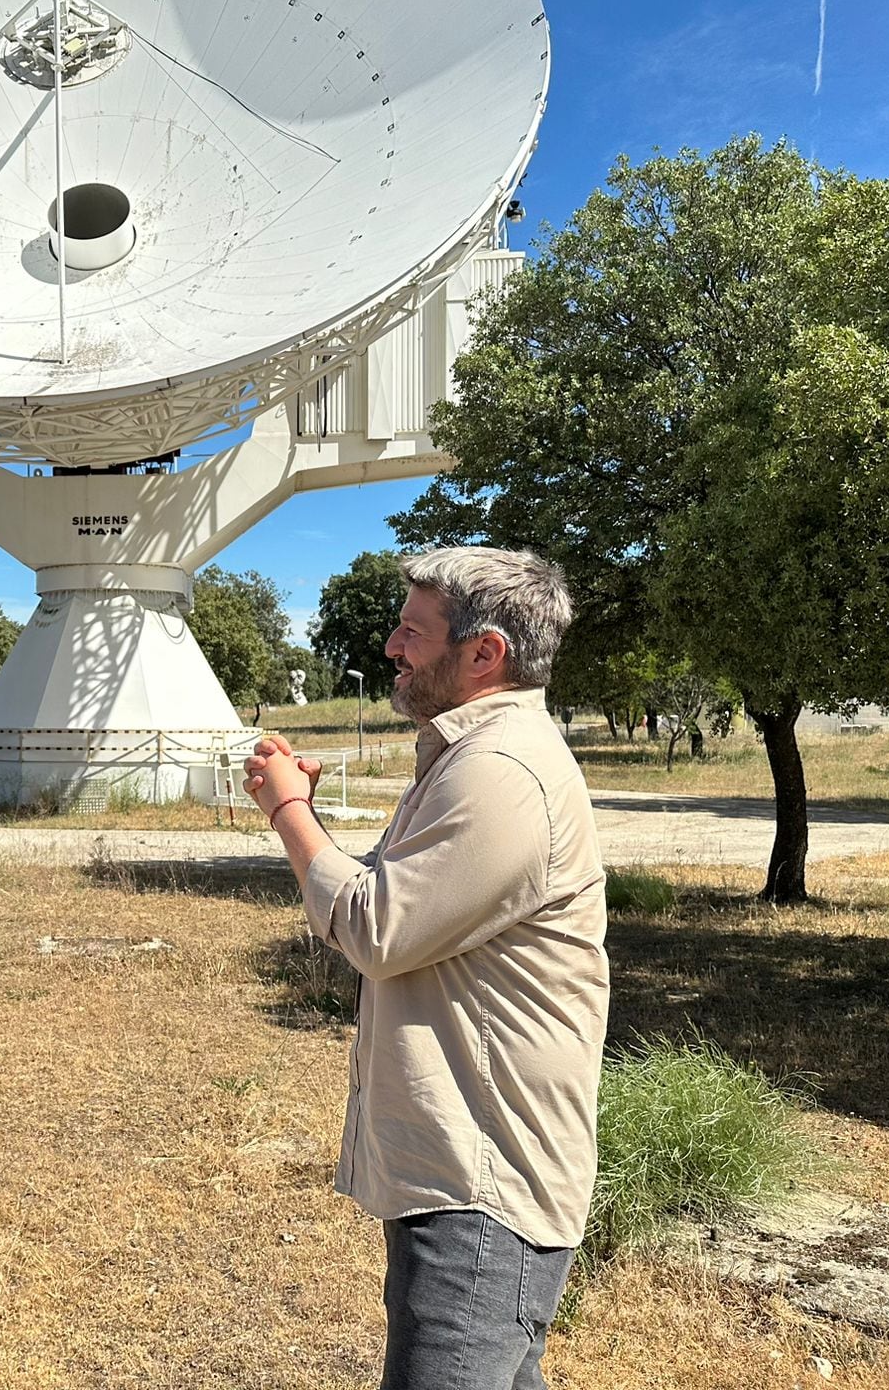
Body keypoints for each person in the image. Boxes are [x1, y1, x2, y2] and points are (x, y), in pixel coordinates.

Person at [242, 547, 607, 1390]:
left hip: (483, 1186)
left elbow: (375, 927)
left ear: (486, 655)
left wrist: (288, 810)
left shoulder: (500, 772)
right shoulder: (467, 756)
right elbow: (401, 899)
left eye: (413, 630)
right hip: (463, 1172)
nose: (391, 647)